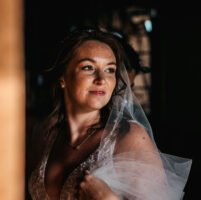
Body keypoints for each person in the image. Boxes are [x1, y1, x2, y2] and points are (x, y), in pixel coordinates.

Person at [28, 27, 191, 200]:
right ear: (63, 77)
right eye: (88, 67)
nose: (101, 79)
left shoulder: (128, 137)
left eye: (110, 70)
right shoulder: (45, 133)